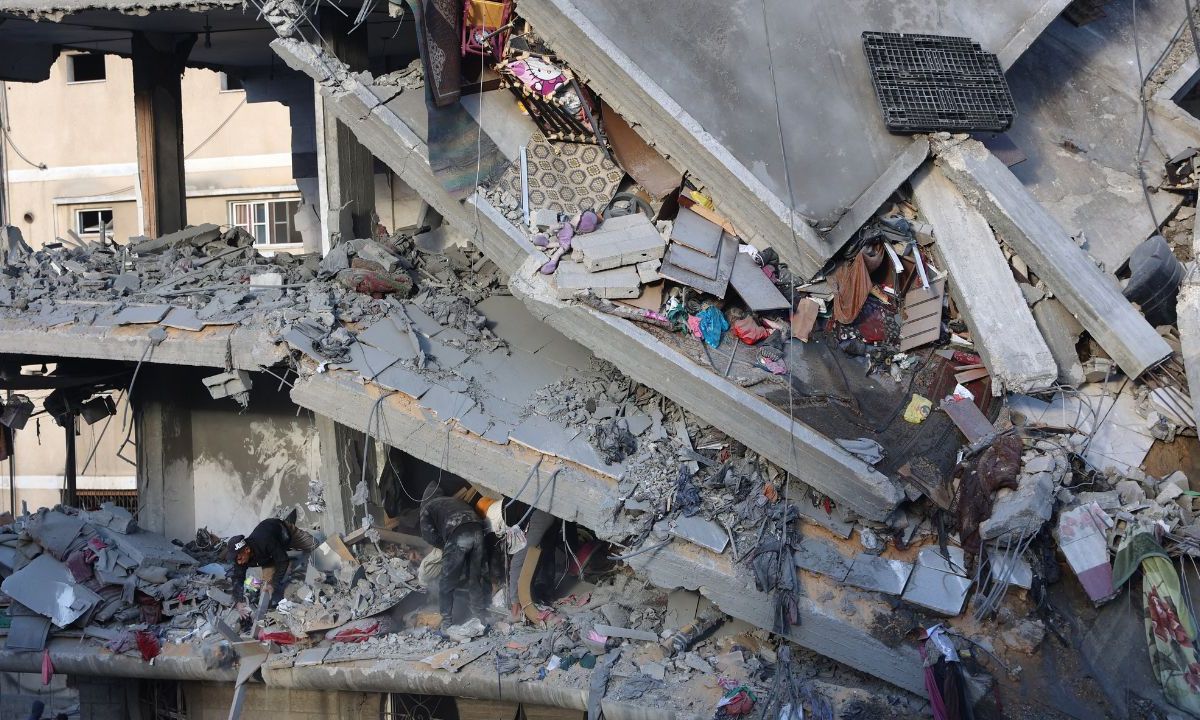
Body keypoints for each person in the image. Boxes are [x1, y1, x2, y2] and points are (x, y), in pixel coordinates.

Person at [419, 482, 488, 626]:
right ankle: (480, 617)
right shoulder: (454, 501)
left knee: (446, 583)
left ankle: (446, 623)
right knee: (474, 577)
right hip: (479, 531)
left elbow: (429, 537)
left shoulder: (427, 508)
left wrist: (446, 549)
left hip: (459, 533)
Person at [228, 510, 317, 614]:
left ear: (247, 550)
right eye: (236, 559)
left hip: (284, 533)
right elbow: (237, 577)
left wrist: (273, 583)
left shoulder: (265, 541)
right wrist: (239, 600)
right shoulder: (241, 558)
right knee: (265, 587)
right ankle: (268, 603)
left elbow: (283, 561)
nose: (239, 562)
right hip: (267, 558)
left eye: (239, 559)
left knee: (315, 546)